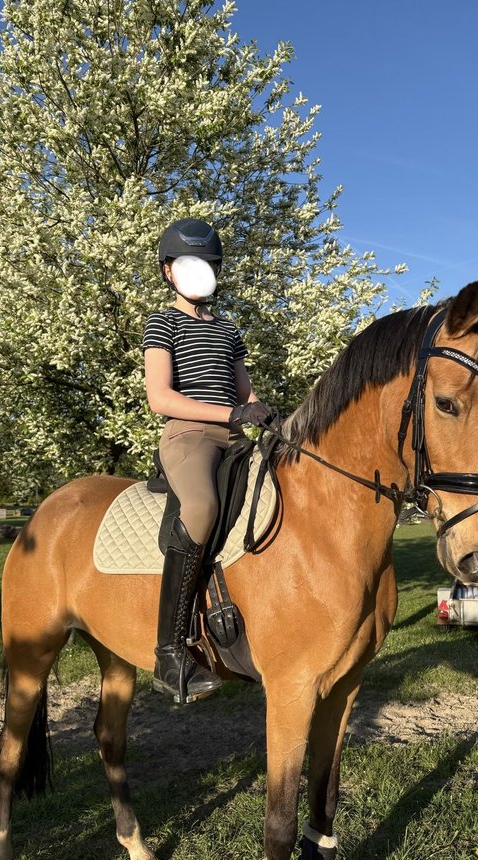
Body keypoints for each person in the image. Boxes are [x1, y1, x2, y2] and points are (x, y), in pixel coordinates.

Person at [142, 218, 276, 702]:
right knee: (201, 507)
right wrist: (230, 413)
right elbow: (160, 397)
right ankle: (169, 653)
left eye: (206, 264)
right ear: (169, 271)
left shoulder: (228, 329)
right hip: (189, 436)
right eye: (187, 264)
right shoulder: (163, 322)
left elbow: (244, 392)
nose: (198, 272)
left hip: (235, 436)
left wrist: (265, 414)